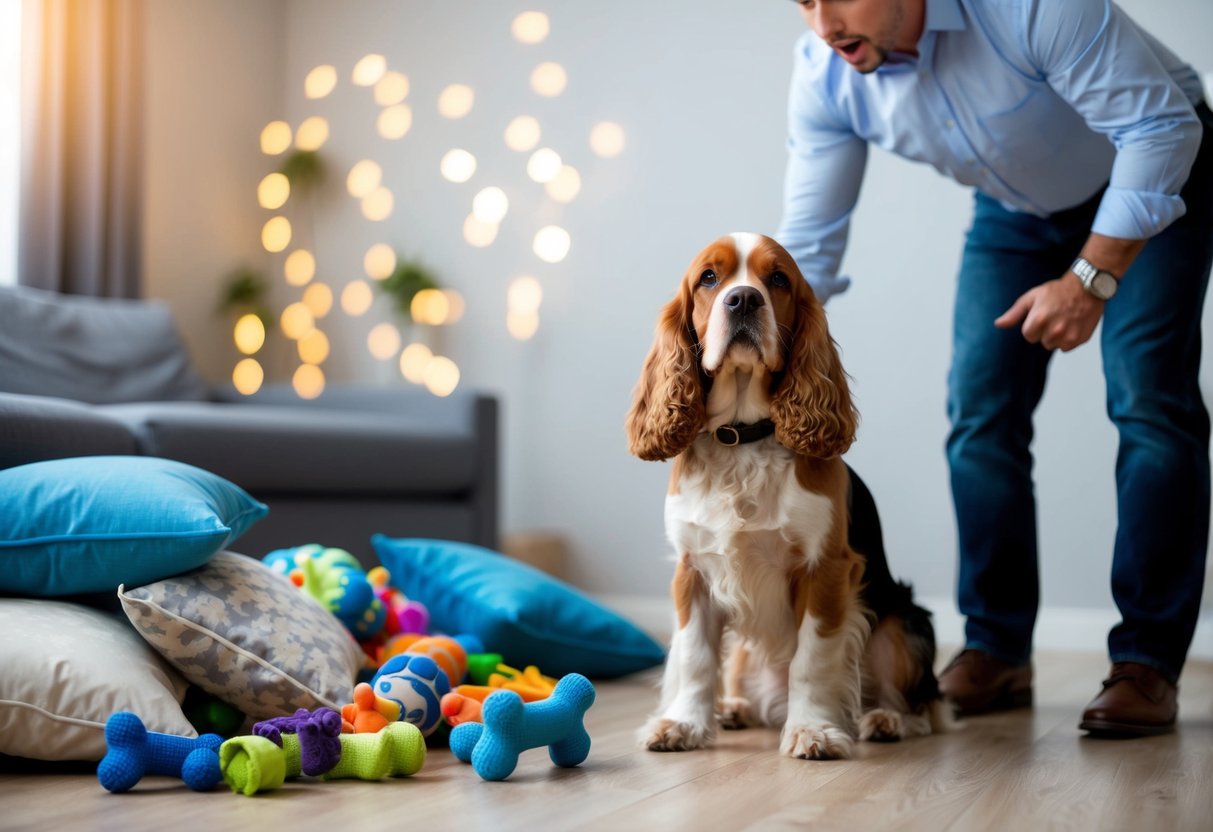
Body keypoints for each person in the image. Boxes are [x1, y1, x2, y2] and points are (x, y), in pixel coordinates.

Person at [776, 0, 1211, 737]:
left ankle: (1145, 662)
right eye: (803, 0)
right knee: (978, 415)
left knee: (1147, 402)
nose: (822, 24)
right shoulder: (826, 72)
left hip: (1156, 163)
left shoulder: (1033, 7)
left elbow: (1161, 128)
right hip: (1014, 209)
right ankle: (998, 649)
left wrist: (1089, 280)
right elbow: (807, 255)